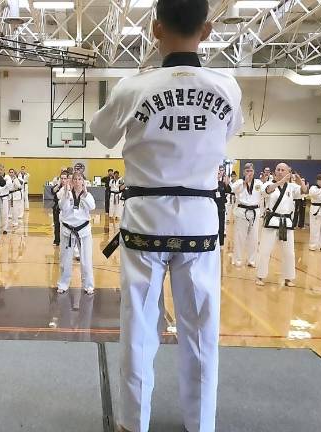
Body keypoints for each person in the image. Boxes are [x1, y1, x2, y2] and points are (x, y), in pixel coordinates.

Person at [90, 0, 243, 430]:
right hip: (198, 220)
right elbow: (228, 131)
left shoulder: (133, 87)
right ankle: (201, 423)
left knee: (138, 329)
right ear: (208, 29)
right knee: (200, 333)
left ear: (155, 29)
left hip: (145, 221)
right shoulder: (226, 86)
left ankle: (132, 423)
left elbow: (101, 134)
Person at [256, 164, 308, 287]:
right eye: (278, 170)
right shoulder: (268, 184)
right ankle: (260, 276)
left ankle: (288, 278)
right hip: (272, 221)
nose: (280, 172)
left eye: (283, 170)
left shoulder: (292, 187)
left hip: (286, 222)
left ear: (288, 172)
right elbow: (267, 191)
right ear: (274, 172)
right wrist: (280, 182)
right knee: (265, 250)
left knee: (289, 252)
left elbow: (304, 191)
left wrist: (300, 181)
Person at [56, 172, 95, 295]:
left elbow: (92, 207)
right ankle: (63, 284)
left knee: (86, 260)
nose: (77, 181)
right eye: (75, 179)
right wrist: (67, 194)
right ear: (71, 181)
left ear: (83, 181)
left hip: (83, 231)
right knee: (65, 260)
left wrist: (85, 194)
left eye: (80, 179)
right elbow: (63, 207)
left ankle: (88, 285)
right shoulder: (65, 193)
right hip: (68, 231)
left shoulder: (87, 195)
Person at [230, 163, 263, 267]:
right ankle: (237, 260)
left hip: (254, 212)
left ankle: (251, 260)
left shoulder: (258, 183)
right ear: (244, 172)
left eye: (251, 171)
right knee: (240, 237)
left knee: (254, 238)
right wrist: (244, 182)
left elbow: (264, 192)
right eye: (247, 171)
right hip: (242, 212)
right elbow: (234, 190)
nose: (249, 173)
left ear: (254, 172)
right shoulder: (239, 182)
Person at [52, 171, 68, 246]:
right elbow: (53, 191)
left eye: (65, 178)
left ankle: (66, 241)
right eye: (62, 178)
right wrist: (58, 184)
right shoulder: (58, 186)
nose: (63, 180)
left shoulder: (69, 187)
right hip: (57, 208)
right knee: (56, 224)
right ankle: (57, 240)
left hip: (66, 209)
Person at [215, 166, 231, 247]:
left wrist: (226, 184)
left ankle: (221, 243)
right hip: (213, 207)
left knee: (221, 226)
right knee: (213, 226)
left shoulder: (222, 183)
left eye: (221, 171)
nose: (219, 172)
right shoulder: (211, 182)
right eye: (218, 171)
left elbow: (229, 191)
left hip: (221, 207)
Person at [0, 165, 12, 235]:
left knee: (5, 213)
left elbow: (8, 185)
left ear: (4, 170)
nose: (0, 171)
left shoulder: (7, 177)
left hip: (5, 197)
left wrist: (4, 183)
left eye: (1, 169)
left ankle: (5, 228)